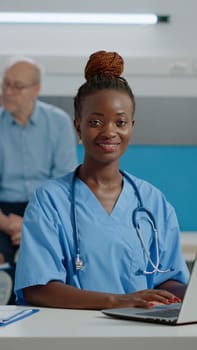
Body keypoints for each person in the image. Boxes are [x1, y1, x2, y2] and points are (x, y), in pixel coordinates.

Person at [15, 50, 189, 309]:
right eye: (96, 121)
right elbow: (38, 290)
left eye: (120, 122)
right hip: (71, 334)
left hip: (141, 332)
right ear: (78, 127)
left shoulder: (152, 200)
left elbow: (168, 278)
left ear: (131, 126)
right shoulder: (50, 200)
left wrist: (186, 293)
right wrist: (119, 300)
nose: (109, 132)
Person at [0, 56, 78, 266]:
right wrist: (9, 225)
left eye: (17, 86)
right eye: (5, 83)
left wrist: (31, 224)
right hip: (3, 210)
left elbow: (64, 186)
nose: (8, 92)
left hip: (46, 206)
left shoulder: (58, 122)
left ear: (36, 89)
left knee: (51, 256)